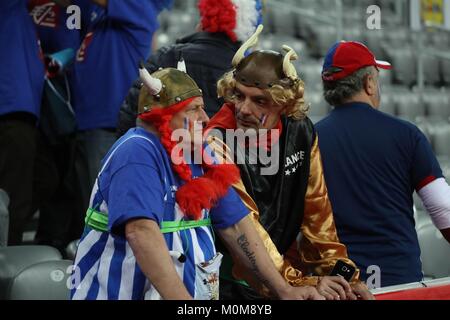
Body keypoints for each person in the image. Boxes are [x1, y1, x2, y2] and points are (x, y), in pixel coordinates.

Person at [70, 67, 323, 300]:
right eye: (193, 109)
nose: (205, 117)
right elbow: (141, 232)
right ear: (163, 116)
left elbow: (237, 227)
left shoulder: (199, 154)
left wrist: (284, 290)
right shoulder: (137, 151)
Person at [206, 26, 373, 300]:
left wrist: (344, 279)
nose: (244, 109)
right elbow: (245, 231)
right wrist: (299, 283)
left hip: (281, 276)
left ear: (284, 104)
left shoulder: (301, 131)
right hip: (231, 284)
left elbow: (318, 217)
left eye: (259, 101)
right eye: (238, 95)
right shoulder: (216, 140)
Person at [315, 41, 450, 287]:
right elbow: (444, 208)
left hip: (337, 283)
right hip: (398, 279)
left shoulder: (309, 139)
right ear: (369, 83)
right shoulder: (407, 134)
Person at [66, 0, 173, 245]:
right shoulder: (98, 17)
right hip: (83, 121)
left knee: (101, 212)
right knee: (79, 208)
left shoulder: (139, 6)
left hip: (108, 122)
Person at [117, 0, 263, 137]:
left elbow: (132, 114)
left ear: (203, 19)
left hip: (166, 156)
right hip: (221, 157)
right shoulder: (248, 70)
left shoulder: (165, 56)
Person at [0, 0, 45, 245]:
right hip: (11, 112)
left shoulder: (19, 15)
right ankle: (8, 265)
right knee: (14, 198)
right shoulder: (9, 7)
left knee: (43, 179)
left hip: (21, 113)